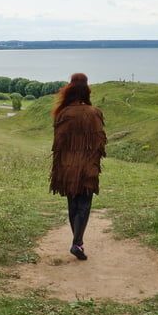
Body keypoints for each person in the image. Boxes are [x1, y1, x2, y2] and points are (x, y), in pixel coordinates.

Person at [50, 73, 107, 261]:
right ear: (87, 90)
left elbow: (58, 144)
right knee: (85, 204)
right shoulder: (94, 113)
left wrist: (59, 167)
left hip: (67, 166)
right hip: (87, 166)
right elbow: (100, 143)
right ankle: (77, 242)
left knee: (73, 204)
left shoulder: (63, 113)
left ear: (70, 89)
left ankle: (77, 242)